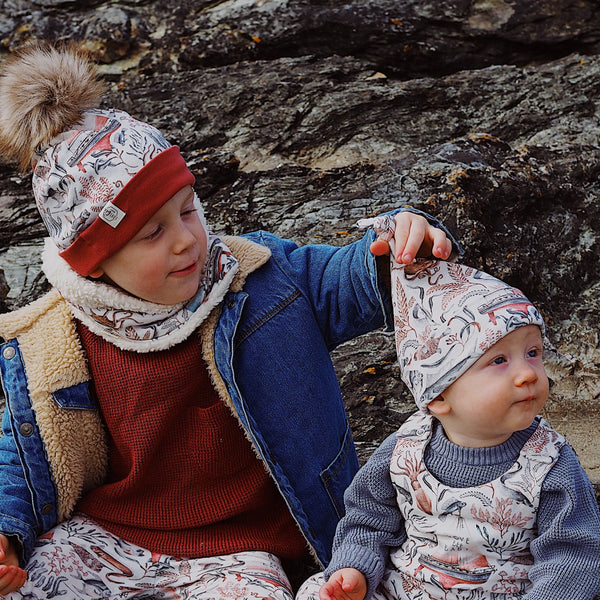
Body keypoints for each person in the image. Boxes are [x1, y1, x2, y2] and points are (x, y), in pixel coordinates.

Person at [0, 44, 454, 599]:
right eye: (151, 234)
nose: (186, 239)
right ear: (93, 262)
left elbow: (351, 279)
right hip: (112, 534)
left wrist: (402, 243)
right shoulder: (57, 337)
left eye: (188, 209)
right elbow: (26, 456)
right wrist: (8, 535)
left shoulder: (262, 277)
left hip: (242, 550)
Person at [296, 257, 600, 600]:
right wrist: (355, 570)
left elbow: (573, 557)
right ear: (438, 394)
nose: (528, 373)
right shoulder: (405, 448)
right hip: (406, 590)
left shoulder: (549, 463)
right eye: (499, 360)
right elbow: (368, 518)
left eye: (533, 352)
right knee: (315, 590)